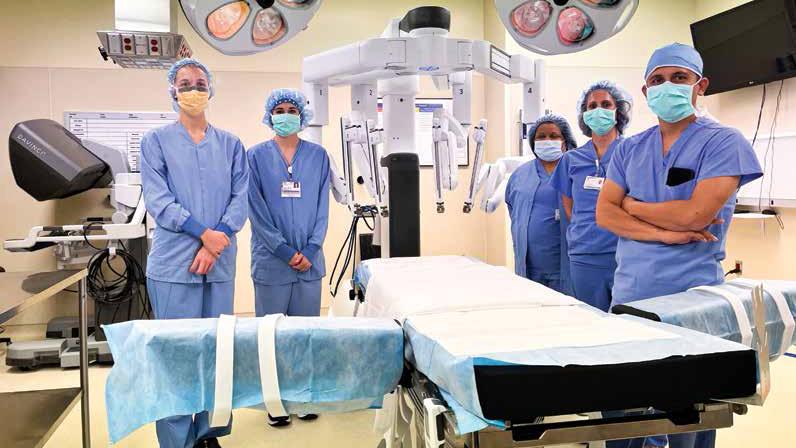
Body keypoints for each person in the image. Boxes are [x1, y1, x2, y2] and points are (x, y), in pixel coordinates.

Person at [596, 43, 763, 448]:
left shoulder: (724, 142)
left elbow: (696, 217)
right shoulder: (630, 148)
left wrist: (632, 205)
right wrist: (665, 232)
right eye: (657, 80)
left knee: (690, 411)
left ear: (699, 86)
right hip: (632, 293)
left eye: (678, 78)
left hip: (692, 298)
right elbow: (605, 214)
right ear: (645, 90)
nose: (666, 86)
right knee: (626, 408)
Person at [141, 58, 249, 448]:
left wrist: (216, 239)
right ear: (173, 90)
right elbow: (160, 201)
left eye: (199, 82)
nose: (192, 89)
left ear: (211, 89)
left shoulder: (232, 145)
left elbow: (241, 199)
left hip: (218, 265)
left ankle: (209, 433)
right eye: (184, 83)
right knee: (176, 357)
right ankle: (176, 440)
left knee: (218, 354)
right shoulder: (155, 142)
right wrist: (205, 235)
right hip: (174, 265)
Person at [247, 88, 330, 427]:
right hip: (271, 261)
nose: (284, 114)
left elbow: (322, 209)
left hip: (309, 262)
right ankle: (275, 400)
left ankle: (304, 395)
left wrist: (309, 250)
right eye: (278, 109)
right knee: (272, 335)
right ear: (270, 116)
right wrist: (284, 251)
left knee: (305, 332)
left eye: (291, 109)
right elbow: (257, 210)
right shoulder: (255, 157)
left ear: (301, 116)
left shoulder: (318, 156)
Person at [551, 80, 632, 311]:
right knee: (592, 322)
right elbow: (569, 207)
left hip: (625, 251)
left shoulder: (632, 151)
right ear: (584, 114)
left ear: (618, 112)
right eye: (591, 105)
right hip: (584, 254)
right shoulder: (571, 159)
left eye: (606, 104)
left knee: (630, 321)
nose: (598, 110)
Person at [506, 114, 578, 294]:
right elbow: (513, 211)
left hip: (566, 267)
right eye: (541, 136)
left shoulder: (576, 171)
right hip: (529, 267)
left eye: (554, 136)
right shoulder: (520, 174)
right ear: (533, 141)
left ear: (565, 141)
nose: (547, 140)